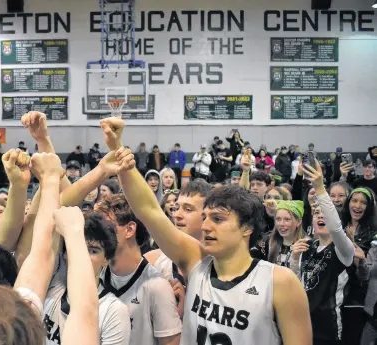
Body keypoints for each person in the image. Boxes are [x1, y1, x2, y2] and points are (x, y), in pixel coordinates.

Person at [100, 117, 312, 345]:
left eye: (218, 219)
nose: (206, 226)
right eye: (204, 217)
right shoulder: (195, 263)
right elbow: (148, 209)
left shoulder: (280, 281)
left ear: (247, 227)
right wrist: (117, 147)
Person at [95, 194, 183, 345]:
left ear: (129, 229)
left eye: (107, 227)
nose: (98, 234)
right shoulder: (97, 275)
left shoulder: (157, 287)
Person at [290, 161, 355, 345]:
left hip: (329, 327)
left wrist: (319, 188)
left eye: (324, 213)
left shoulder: (344, 249)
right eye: (316, 212)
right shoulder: (306, 247)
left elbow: (334, 227)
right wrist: (294, 259)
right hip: (302, 322)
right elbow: (295, 283)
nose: (320, 215)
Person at [42, 211, 131, 345]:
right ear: (65, 255)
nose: (83, 256)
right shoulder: (53, 283)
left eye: (93, 251)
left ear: (106, 259)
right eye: (80, 248)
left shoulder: (114, 311)